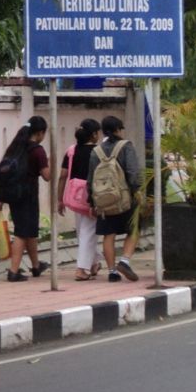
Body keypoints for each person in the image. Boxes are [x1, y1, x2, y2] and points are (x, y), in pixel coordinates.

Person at [87, 116, 142, 282]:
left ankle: (112, 272)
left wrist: (92, 200)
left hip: (103, 200)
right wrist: (137, 191)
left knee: (108, 234)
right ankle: (124, 261)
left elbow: (90, 179)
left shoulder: (96, 151)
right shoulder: (126, 146)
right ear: (118, 129)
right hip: (124, 198)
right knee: (134, 228)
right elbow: (133, 173)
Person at [0, 116, 51, 282]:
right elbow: (47, 176)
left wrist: (2, 198)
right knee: (22, 232)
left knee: (30, 231)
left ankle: (36, 267)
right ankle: (13, 271)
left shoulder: (16, 147)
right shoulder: (37, 151)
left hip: (14, 196)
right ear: (40, 133)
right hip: (28, 196)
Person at [57, 118, 103, 281]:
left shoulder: (72, 150)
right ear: (94, 135)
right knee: (88, 232)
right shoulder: (99, 152)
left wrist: (59, 199)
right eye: (98, 132)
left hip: (74, 196)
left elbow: (63, 176)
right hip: (91, 196)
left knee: (82, 231)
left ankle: (94, 262)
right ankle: (81, 269)